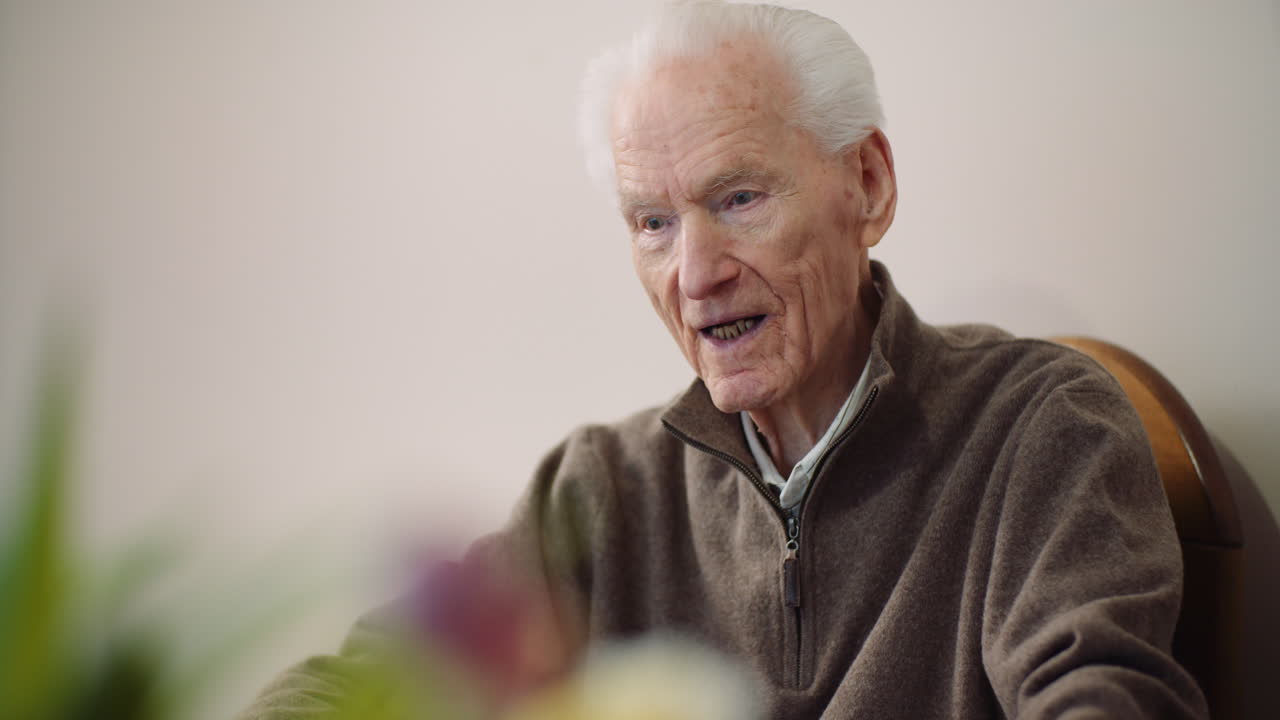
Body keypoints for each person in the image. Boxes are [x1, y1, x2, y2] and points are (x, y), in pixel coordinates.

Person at [241, 2, 1209, 718]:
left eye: (738, 197)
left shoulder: (1040, 426)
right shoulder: (603, 487)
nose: (695, 273)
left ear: (864, 185)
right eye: (652, 223)